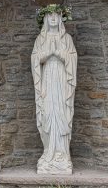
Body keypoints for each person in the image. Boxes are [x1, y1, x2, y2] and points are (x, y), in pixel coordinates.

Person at [31, 11, 77, 175]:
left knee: (61, 113)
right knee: (48, 113)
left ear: (60, 19)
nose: (52, 17)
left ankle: (62, 154)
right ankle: (48, 152)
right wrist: (47, 53)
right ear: (44, 18)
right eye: (49, 15)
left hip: (62, 81)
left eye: (56, 15)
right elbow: (35, 59)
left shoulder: (67, 39)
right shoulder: (40, 39)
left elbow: (72, 59)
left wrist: (59, 53)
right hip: (47, 82)